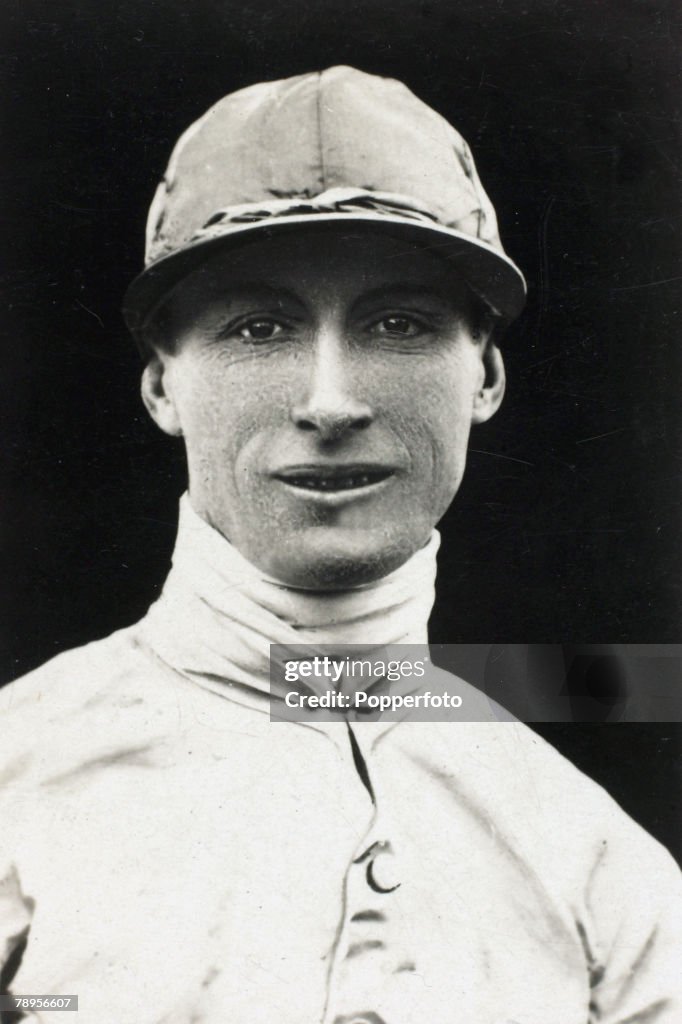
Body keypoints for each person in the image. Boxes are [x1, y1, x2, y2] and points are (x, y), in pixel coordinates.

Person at [0, 66, 679, 1024]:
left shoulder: (595, 867)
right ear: (162, 387)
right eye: (259, 327)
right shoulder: (17, 784)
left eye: (398, 324)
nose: (329, 402)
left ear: (482, 377)